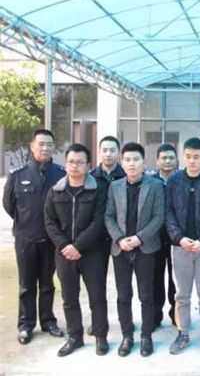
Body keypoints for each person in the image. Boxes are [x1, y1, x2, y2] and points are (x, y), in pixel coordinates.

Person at [44, 144, 109, 357]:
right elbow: (49, 222)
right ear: (65, 164)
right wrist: (64, 246)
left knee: (97, 297)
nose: (75, 166)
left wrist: (78, 246)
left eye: (80, 162)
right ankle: (75, 337)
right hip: (64, 254)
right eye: (71, 162)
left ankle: (100, 336)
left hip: (92, 252)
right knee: (69, 298)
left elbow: (99, 221)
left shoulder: (98, 189)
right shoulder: (55, 191)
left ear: (88, 165)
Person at [3, 129, 65, 345]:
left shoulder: (61, 175)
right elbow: (9, 205)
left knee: (48, 284)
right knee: (26, 285)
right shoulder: (18, 175)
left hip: (51, 240)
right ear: (32, 146)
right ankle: (25, 325)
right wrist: (26, 222)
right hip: (25, 239)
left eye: (49, 144)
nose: (45, 148)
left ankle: (48, 321)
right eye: (41, 144)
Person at [104, 142, 165, 357]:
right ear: (122, 162)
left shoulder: (155, 186)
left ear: (143, 162)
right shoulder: (115, 186)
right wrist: (120, 238)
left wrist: (139, 238)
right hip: (120, 248)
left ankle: (146, 336)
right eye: (128, 160)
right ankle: (127, 335)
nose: (131, 163)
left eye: (136, 159)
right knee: (123, 295)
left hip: (145, 248)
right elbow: (109, 216)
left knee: (146, 295)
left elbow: (159, 217)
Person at [166, 138, 200, 355]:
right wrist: (179, 238)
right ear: (183, 156)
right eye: (188, 156)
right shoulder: (174, 181)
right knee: (182, 294)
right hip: (180, 247)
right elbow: (168, 212)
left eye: (196, 157)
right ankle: (183, 333)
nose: (192, 161)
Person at [88, 135, 126, 336]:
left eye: (113, 150)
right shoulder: (91, 177)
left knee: (123, 285)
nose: (108, 154)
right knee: (97, 284)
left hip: (121, 238)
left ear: (118, 153)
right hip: (97, 238)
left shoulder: (126, 175)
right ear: (99, 151)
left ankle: (125, 321)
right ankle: (98, 322)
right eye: (105, 150)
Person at [151, 143, 177, 329]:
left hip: (177, 239)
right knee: (155, 279)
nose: (167, 161)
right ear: (157, 161)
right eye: (164, 158)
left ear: (177, 160)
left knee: (176, 280)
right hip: (155, 238)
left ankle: (176, 314)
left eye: (171, 158)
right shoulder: (150, 182)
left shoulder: (182, 180)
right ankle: (155, 315)